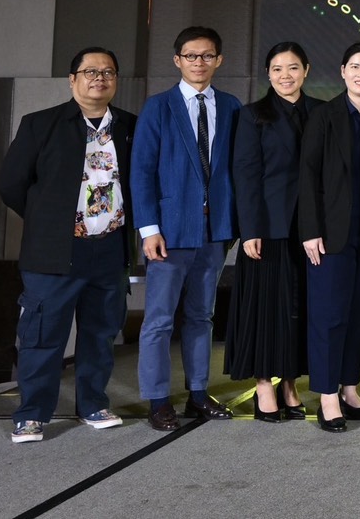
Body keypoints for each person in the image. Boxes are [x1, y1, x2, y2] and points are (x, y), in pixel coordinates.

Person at [0, 47, 137, 443]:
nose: (99, 78)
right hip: (54, 252)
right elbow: (11, 184)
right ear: (72, 79)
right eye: (90, 71)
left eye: (108, 72)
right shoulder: (40, 124)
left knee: (100, 333)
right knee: (43, 335)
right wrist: (50, 222)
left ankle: (92, 403)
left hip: (109, 249)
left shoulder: (131, 126)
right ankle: (31, 414)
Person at [130, 26, 242, 431]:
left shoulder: (231, 106)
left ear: (219, 60)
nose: (199, 63)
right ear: (177, 60)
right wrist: (148, 229)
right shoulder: (158, 107)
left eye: (207, 55)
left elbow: (238, 169)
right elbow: (141, 171)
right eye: (191, 56)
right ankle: (158, 400)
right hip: (169, 232)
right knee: (159, 319)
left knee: (202, 317)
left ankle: (198, 394)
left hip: (215, 231)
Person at [226, 41, 321, 422]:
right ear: (268, 73)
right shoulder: (253, 115)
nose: (286, 75)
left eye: (293, 68)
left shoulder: (321, 111)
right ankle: (264, 385)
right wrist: (250, 229)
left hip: (311, 229)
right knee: (267, 310)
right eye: (278, 69)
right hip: (267, 228)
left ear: (306, 71)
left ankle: (290, 383)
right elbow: (245, 175)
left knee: (300, 308)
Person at [300, 42, 360, 433]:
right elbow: (307, 175)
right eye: (355, 66)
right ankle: (327, 395)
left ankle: (350, 388)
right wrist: (310, 230)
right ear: (342, 71)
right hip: (330, 234)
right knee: (329, 315)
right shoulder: (324, 115)